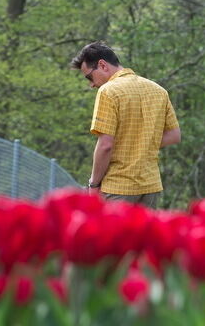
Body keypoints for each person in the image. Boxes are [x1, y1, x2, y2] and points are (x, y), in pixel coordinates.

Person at [70, 42, 181, 207]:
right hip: (150, 186)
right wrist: (141, 143)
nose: (91, 84)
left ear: (102, 65)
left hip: (117, 187)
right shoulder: (159, 90)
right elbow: (174, 136)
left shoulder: (108, 91)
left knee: (113, 233)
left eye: (89, 77)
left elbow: (105, 145)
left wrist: (93, 185)